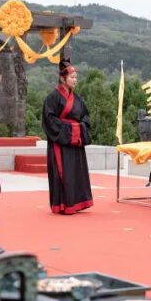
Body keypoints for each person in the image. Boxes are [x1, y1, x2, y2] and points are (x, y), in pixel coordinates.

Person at [42, 55, 93, 215]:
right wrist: (71, 129)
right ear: (62, 78)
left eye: (76, 77)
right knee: (62, 172)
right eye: (72, 77)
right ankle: (63, 204)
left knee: (75, 173)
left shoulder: (78, 99)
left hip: (75, 142)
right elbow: (49, 120)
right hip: (60, 142)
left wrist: (79, 128)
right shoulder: (52, 98)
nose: (75, 80)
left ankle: (77, 202)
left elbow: (86, 117)